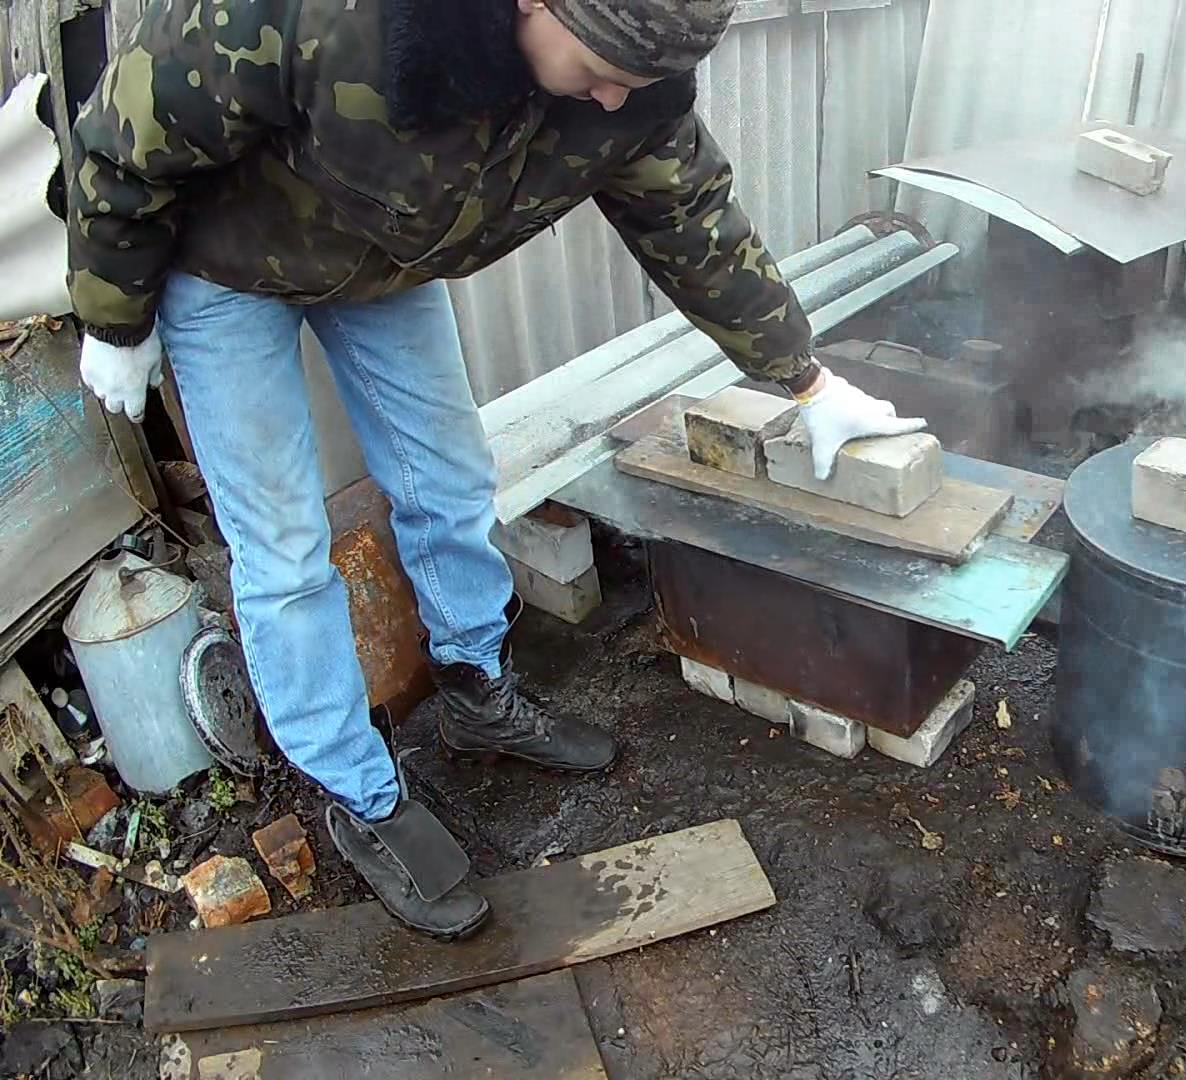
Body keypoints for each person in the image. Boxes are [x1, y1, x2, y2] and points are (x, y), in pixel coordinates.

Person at [64, 0, 924, 939]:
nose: (609, 96)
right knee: (282, 547)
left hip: (377, 265)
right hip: (224, 265)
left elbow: (693, 219)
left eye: (633, 84)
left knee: (448, 476)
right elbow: (127, 129)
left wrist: (803, 379)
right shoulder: (333, 18)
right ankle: (359, 792)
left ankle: (477, 691)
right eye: (601, 66)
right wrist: (113, 311)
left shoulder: (625, 90)